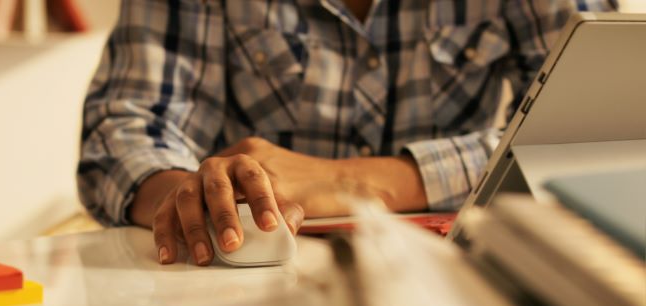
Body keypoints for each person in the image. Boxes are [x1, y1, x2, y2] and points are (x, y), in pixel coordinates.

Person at [78, 0, 616, 266]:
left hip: (463, 277)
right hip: (246, 276)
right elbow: (124, 126)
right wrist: (190, 196)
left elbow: (603, 123)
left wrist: (368, 182)